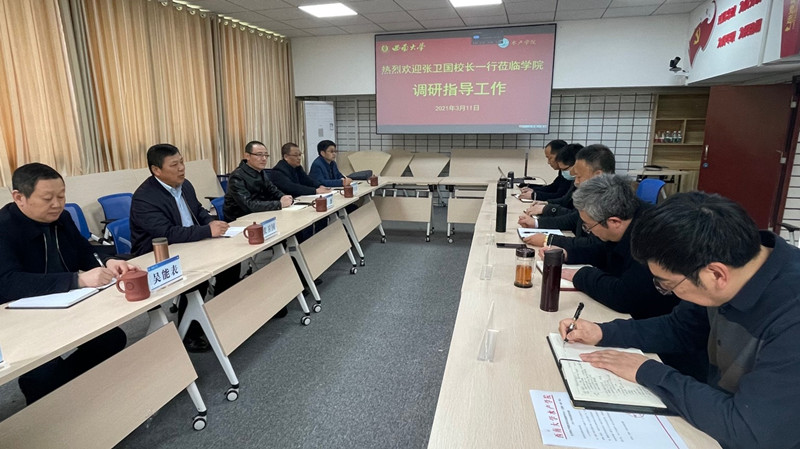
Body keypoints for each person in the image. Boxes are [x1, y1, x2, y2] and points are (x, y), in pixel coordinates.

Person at [559, 192, 800, 449]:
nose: (667, 291)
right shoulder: (731, 263)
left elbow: (751, 431)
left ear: (716, 274)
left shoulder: (791, 317)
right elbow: (681, 328)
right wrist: (603, 332)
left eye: (667, 285)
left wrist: (648, 371)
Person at [0, 163, 136, 404]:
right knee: (43, 374)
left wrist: (108, 261)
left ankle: (73, 394)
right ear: (19, 197)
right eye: (47, 198)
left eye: (61, 196)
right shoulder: (4, 227)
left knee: (111, 339)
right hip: (20, 317)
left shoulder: (62, 218)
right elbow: (8, 283)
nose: (57, 204)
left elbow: (84, 252)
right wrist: (77, 280)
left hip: (66, 304)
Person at [130, 144, 231, 352]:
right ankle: (190, 332)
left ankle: (219, 313)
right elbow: (166, 233)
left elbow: (198, 210)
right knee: (198, 275)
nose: (181, 168)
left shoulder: (185, 185)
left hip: (190, 243)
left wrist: (212, 222)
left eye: (182, 162)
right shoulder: (144, 197)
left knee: (230, 262)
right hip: (157, 254)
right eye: (174, 165)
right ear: (156, 170)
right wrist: (206, 231)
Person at [544, 174, 679, 320]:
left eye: (588, 226)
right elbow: (602, 249)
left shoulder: (652, 238)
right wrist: (567, 254)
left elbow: (624, 297)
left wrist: (581, 275)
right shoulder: (629, 213)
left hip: (655, 320)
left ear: (614, 222)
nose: (589, 232)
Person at [519, 144, 614, 245]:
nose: (576, 182)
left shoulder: (611, 202)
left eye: (579, 177)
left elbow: (593, 246)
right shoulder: (593, 195)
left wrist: (549, 240)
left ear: (598, 175)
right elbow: (574, 218)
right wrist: (536, 223)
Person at [223, 140, 293, 222]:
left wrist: (283, 197)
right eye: (259, 155)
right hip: (241, 219)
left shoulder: (260, 171)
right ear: (247, 156)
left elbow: (272, 189)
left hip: (260, 214)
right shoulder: (237, 176)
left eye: (266, 155)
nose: (264, 159)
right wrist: (279, 204)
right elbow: (248, 205)